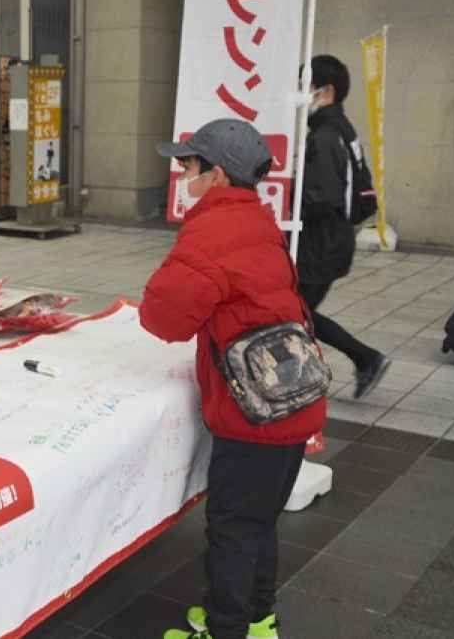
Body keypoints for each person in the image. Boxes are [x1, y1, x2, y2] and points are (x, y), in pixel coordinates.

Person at [141, 120, 327, 639]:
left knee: (233, 527)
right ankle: (258, 619)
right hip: (294, 399)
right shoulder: (258, 220)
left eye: (190, 166)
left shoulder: (212, 230)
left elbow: (163, 318)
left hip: (256, 413)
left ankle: (226, 630)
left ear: (216, 174)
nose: (184, 175)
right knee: (258, 521)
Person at [300, 54, 390, 398]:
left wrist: (290, 199)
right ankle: (364, 359)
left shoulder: (324, 135)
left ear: (327, 91)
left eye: (306, 87)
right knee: (297, 313)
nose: (301, 94)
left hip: (322, 244)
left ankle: (364, 359)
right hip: (333, 241)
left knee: (294, 314)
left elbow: (323, 196)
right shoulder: (341, 128)